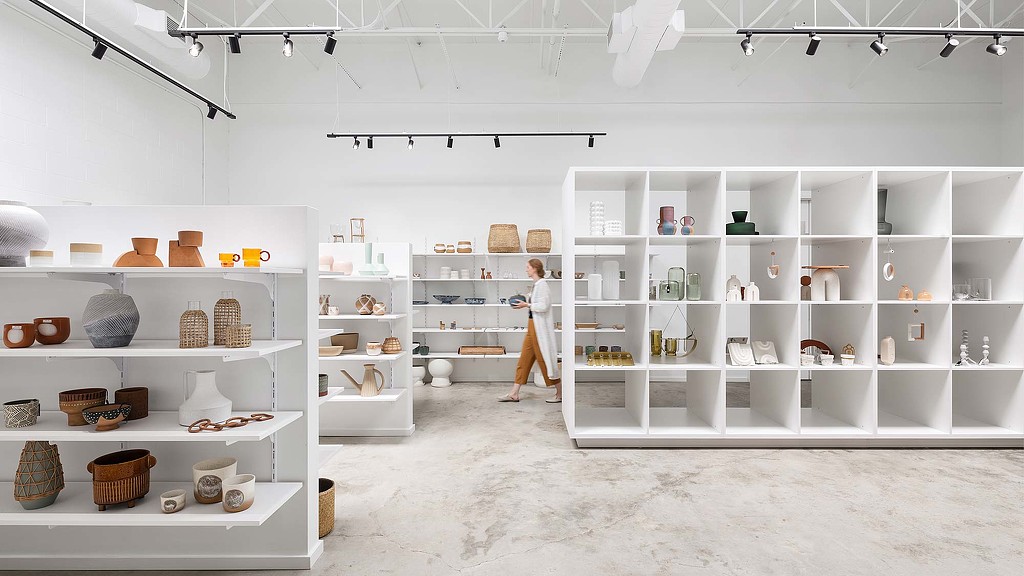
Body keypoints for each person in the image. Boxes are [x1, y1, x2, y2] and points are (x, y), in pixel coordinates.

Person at [499, 258, 561, 403]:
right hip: (532, 325)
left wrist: (527, 304)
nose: (526, 269)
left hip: (538, 329)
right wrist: (526, 302)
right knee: (524, 359)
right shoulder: (536, 285)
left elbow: (543, 306)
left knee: (544, 360)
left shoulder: (542, 285)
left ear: (534, 268)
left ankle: (560, 393)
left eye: (527, 267)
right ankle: (514, 393)